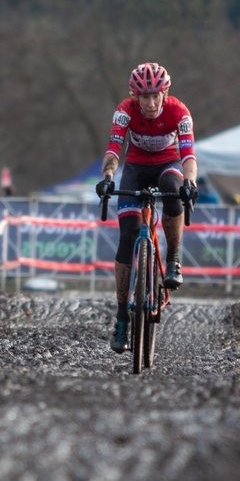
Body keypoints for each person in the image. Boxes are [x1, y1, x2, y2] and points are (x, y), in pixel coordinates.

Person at [95, 62, 198, 353]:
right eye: (144, 97)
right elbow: (114, 150)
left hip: (169, 164)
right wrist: (107, 177)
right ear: (135, 96)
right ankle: (121, 318)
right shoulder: (124, 111)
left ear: (165, 92)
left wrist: (190, 181)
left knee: (173, 189)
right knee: (128, 234)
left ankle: (174, 259)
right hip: (136, 168)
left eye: (156, 96)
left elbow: (188, 154)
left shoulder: (179, 112)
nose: (151, 103)